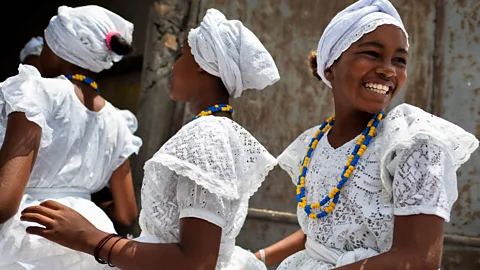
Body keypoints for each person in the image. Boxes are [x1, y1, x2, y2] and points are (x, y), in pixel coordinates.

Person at [20, 8, 280, 270]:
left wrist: (91, 238)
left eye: (181, 56)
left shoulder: (207, 136)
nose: (173, 67)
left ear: (202, 66)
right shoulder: (215, 132)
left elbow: (197, 262)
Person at [253, 0, 479, 269]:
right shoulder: (312, 144)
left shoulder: (412, 143)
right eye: (372, 53)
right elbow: (324, 233)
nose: (388, 69)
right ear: (330, 67)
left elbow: (417, 260)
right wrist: (254, 260)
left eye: (399, 60)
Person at [0, 5, 141, 269]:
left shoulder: (35, 92)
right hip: (91, 236)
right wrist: (80, 202)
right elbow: (127, 213)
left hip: (31, 235)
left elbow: (5, 203)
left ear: (57, 49)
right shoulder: (119, 121)